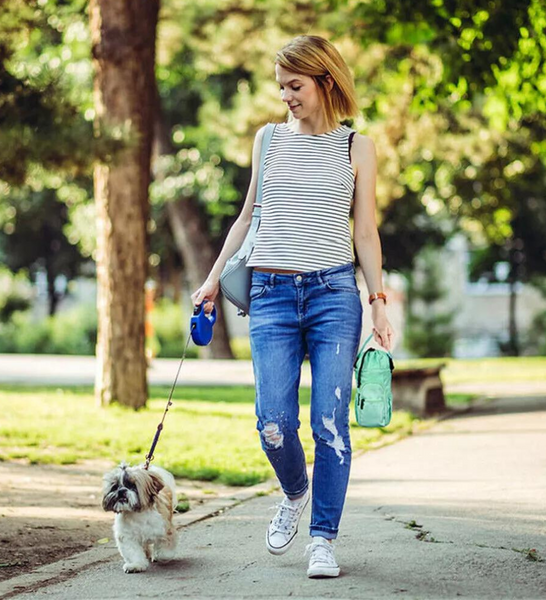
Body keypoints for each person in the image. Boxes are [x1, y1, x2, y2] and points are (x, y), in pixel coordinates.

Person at [191, 34, 394, 578]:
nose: (286, 96)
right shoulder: (268, 139)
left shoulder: (358, 147)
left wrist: (378, 301)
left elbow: (366, 231)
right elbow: (246, 216)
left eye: (295, 85)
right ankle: (295, 490)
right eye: (281, 86)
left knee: (329, 422)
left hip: (333, 296)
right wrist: (212, 281)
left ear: (326, 81)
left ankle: (323, 539)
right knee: (273, 422)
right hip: (271, 295)